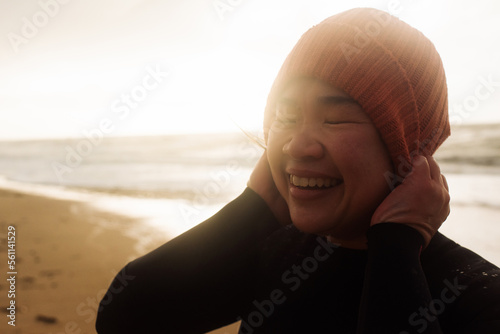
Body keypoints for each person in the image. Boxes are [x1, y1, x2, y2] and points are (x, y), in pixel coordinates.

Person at [95, 8, 500, 334]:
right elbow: (126, 317)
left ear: (411, 148)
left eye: (336, 119)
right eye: (285, 117)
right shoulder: (278, 255)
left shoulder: (474, 295)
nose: (297, 145)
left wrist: (394, 248)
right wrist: (253, 208)